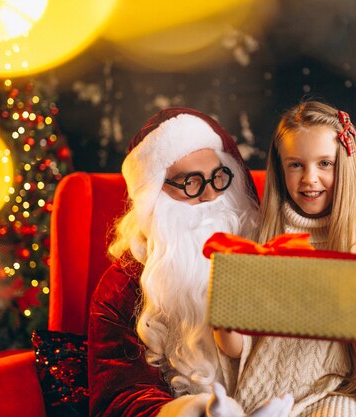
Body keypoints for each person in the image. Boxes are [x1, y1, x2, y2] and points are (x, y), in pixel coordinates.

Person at [214, 101, 356, 417]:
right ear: (280, 168)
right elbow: (235, 348)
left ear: (345, 165)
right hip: (264, 395)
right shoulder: (258, 234)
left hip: (338, 391)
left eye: (325, 163)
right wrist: (224, 316)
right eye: (296, 165)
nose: (310, 178)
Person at [87, 107, 293, 417]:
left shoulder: (268, 245)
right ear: (155, 196)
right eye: (191, 183)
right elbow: (119, 395)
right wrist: (188, 411)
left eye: (218, 177)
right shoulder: (125, 284)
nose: (211, 194)